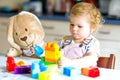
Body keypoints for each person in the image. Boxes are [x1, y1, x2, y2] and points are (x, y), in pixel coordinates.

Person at [58, 2, 103, 68]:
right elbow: (55, 52)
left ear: (92, 27)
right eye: (72, 24)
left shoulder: (92, 43)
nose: (74, 28)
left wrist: (71, 62)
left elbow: (91, 59)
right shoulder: (65, 40)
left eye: (80, 26)